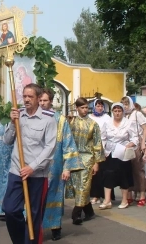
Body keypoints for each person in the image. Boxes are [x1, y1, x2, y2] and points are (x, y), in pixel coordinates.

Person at [2, 83, 57, 244]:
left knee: (33, 216)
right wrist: (12, 123)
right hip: (17, 170)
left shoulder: (48, 120)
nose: (26, 99)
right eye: (24, 96)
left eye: (30, 96)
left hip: (37, 174)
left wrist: (32, 167)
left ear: (39, 99)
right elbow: (6, 141)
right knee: (10, 209)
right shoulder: (18, 115)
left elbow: (50, 148)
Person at [40, 89, 83, 241]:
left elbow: (68, 144)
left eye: (45, 100)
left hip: (56, 167)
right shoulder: (32, 118)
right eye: (40, 100)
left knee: (55, 197)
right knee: (36, 197)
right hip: (37, 167)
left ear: (51, 101)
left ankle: (55, 227)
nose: (42, 103)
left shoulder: (61, 120)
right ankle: (33, 227)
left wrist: (67, 168)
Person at [65, 97, 104, 226]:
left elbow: (97, 144)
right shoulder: (71, 122)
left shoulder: (93, 124)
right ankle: (89, 211)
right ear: (77, 108)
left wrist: (96, 162)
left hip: (88, 158)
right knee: (77, 186)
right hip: (74, 158)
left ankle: (76, 214)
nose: (85, 110)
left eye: (87, 107)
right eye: (82, 107)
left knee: (83, 185)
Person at [99, 103, 138, 210]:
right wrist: (103, 150)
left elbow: (135, 138)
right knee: (108, 174)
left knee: (123, 175)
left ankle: (124, 200)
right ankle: (107, 201)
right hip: (110, 152)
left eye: (119, 111)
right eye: (115, 111)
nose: (117, 113)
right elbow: (102, 137)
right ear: (112, 112)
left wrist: (129, 145)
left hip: (123, 152)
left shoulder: (129, 123)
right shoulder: (107, 123)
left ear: (123, 112)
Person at [121, 96, 146, 207]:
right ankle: (130, 194)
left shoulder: (137, 114)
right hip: (127, 144)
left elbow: (145, 128)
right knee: (129, 170)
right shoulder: (124, 116)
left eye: (126, 104)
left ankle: (142, 194)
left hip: (137, 143)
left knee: (139, 170)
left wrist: (143, 143)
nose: (125, 106)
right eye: (123, 104)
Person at [88, 99, 111, 204]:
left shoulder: (107, 118)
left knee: (103, 172)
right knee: (94, 172)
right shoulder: (90, 118)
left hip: (104, 146)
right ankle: (95, 195)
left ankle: (105, 196)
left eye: (101, 106)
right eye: (98, 105)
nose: (100, 107)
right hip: (92, 147)